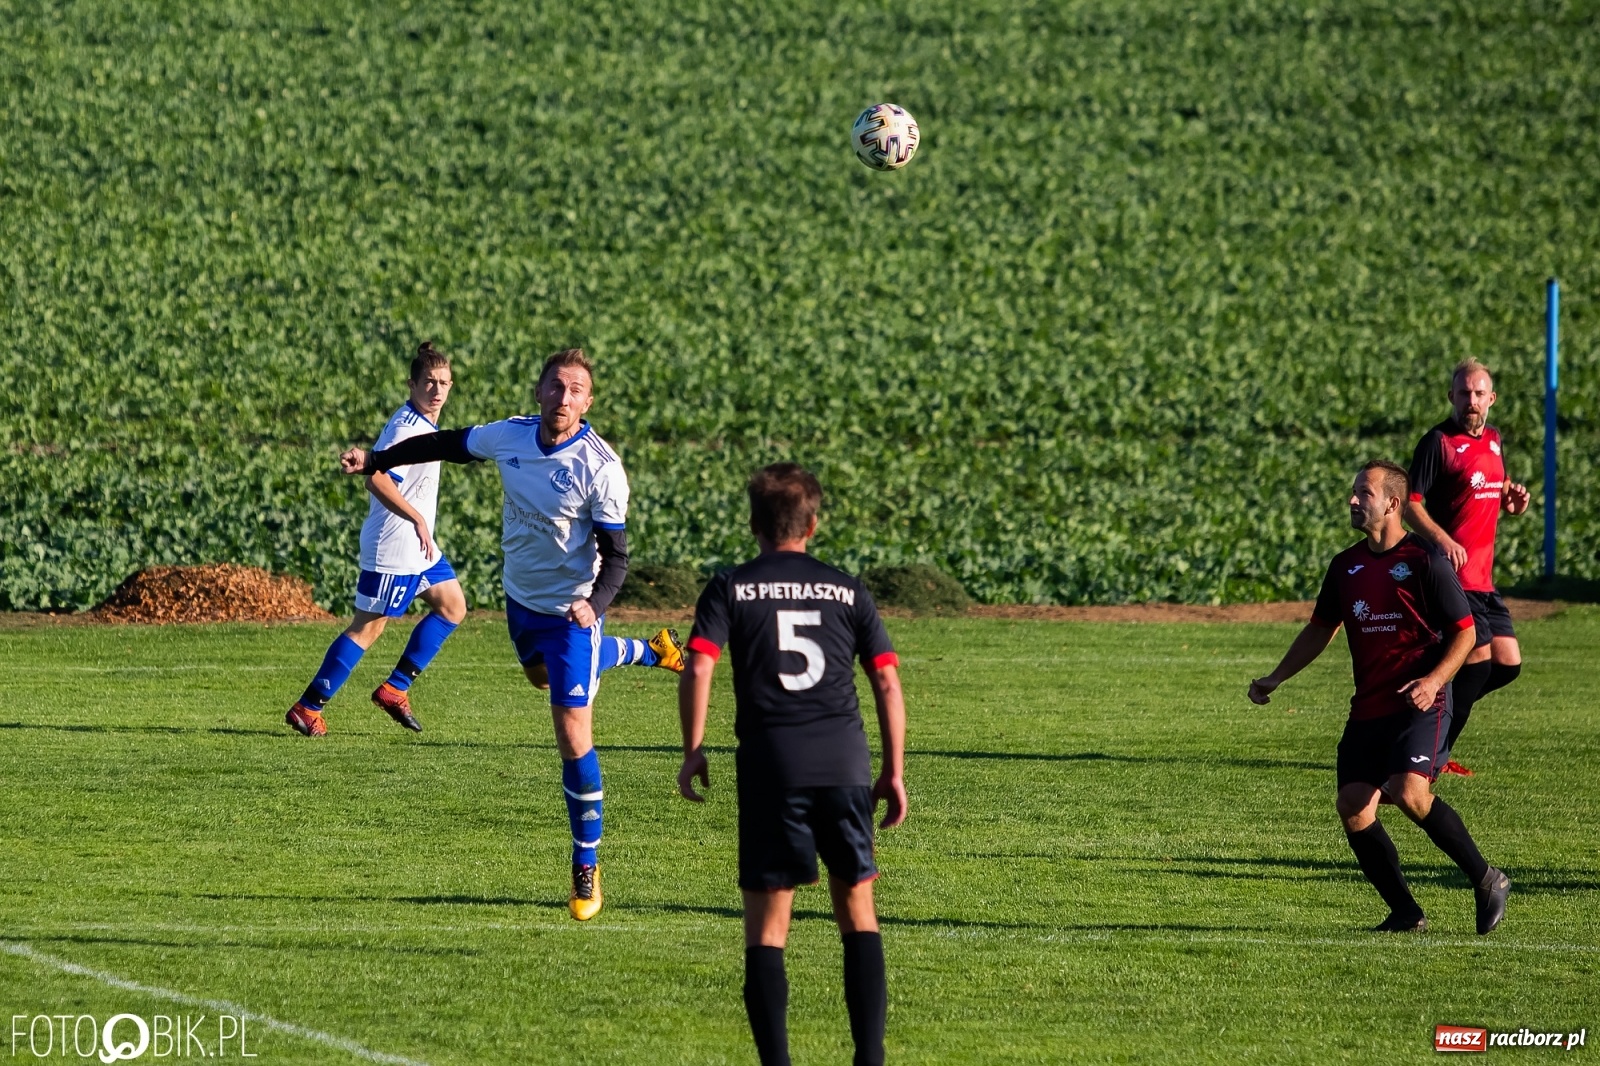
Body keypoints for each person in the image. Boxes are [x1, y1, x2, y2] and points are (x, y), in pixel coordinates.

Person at [338, 347, 683, 920]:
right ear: (539, 391)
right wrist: (377, 457)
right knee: (539, 679)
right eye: (556, 386)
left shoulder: (600, 468)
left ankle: (586, 865)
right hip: (521, 603)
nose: (564, 397)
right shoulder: (511, 436)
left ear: (588, 402)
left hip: (572, 615)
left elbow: (618, 556)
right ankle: (648, 651)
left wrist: (594, 605)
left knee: (572, 733)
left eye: (576, 390)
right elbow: (445, 443)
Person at [676, 464, 908, 1066]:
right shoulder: (848, 589)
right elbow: (886, 680)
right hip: (845, 764)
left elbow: (699, 664)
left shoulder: (731, 586)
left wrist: (694, 748)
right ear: (813, 524)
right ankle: (870, 1058)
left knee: (768, 929)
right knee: (857, 913)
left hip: (772, 767)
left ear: (753, 524)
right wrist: (893, 770)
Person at [1248, 460, 1510, 935]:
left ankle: (1487, 878)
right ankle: (1406, 912)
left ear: (1392, 503)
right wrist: (1276, 677)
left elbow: (1466, 633)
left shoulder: (1425, 560)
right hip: (1368, 705)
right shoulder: (1344, 566)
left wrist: (1434, 681)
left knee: (1410, 793)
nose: (1352, 500)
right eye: (1353, 492)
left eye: (1363, 493)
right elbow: (1319, 629)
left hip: (1420, 702)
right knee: (1353, 805)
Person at [286, 342, 467, 738]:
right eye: (429, 382)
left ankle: (395, 689)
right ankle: (308, 707)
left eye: (443, 383)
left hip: (419, 547)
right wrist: (417, 518)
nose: (436, 390)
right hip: (395, 547)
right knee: (367, 628)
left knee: (453, 606)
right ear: (412, 385)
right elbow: (377, 479)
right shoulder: (408, 427)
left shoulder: (425, 424)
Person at [1405, 358, 1531, 775]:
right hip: (1453, 576)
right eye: (1464, 393)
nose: (1471, 401)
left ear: (1492, 399)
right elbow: (1410, 504)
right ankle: (1433, 757)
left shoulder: (1494, 440)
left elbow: (1493, 490)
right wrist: (1442, 539)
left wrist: (1512, 502)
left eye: (1479, 394)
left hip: (1483, 578)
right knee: (1476, 662)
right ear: (1451, 397)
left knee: (1507, 664)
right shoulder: (1437, 442)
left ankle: (1431, 711)